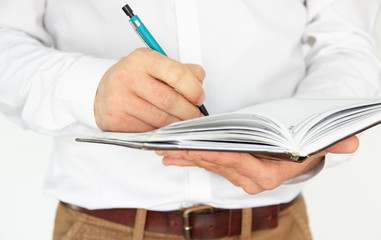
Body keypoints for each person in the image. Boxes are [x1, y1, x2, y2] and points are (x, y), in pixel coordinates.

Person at [0, 0, 380, 239]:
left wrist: (305, 140)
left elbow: (346, 42)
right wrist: (89, 89)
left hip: (276, 226)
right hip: (102, 229)